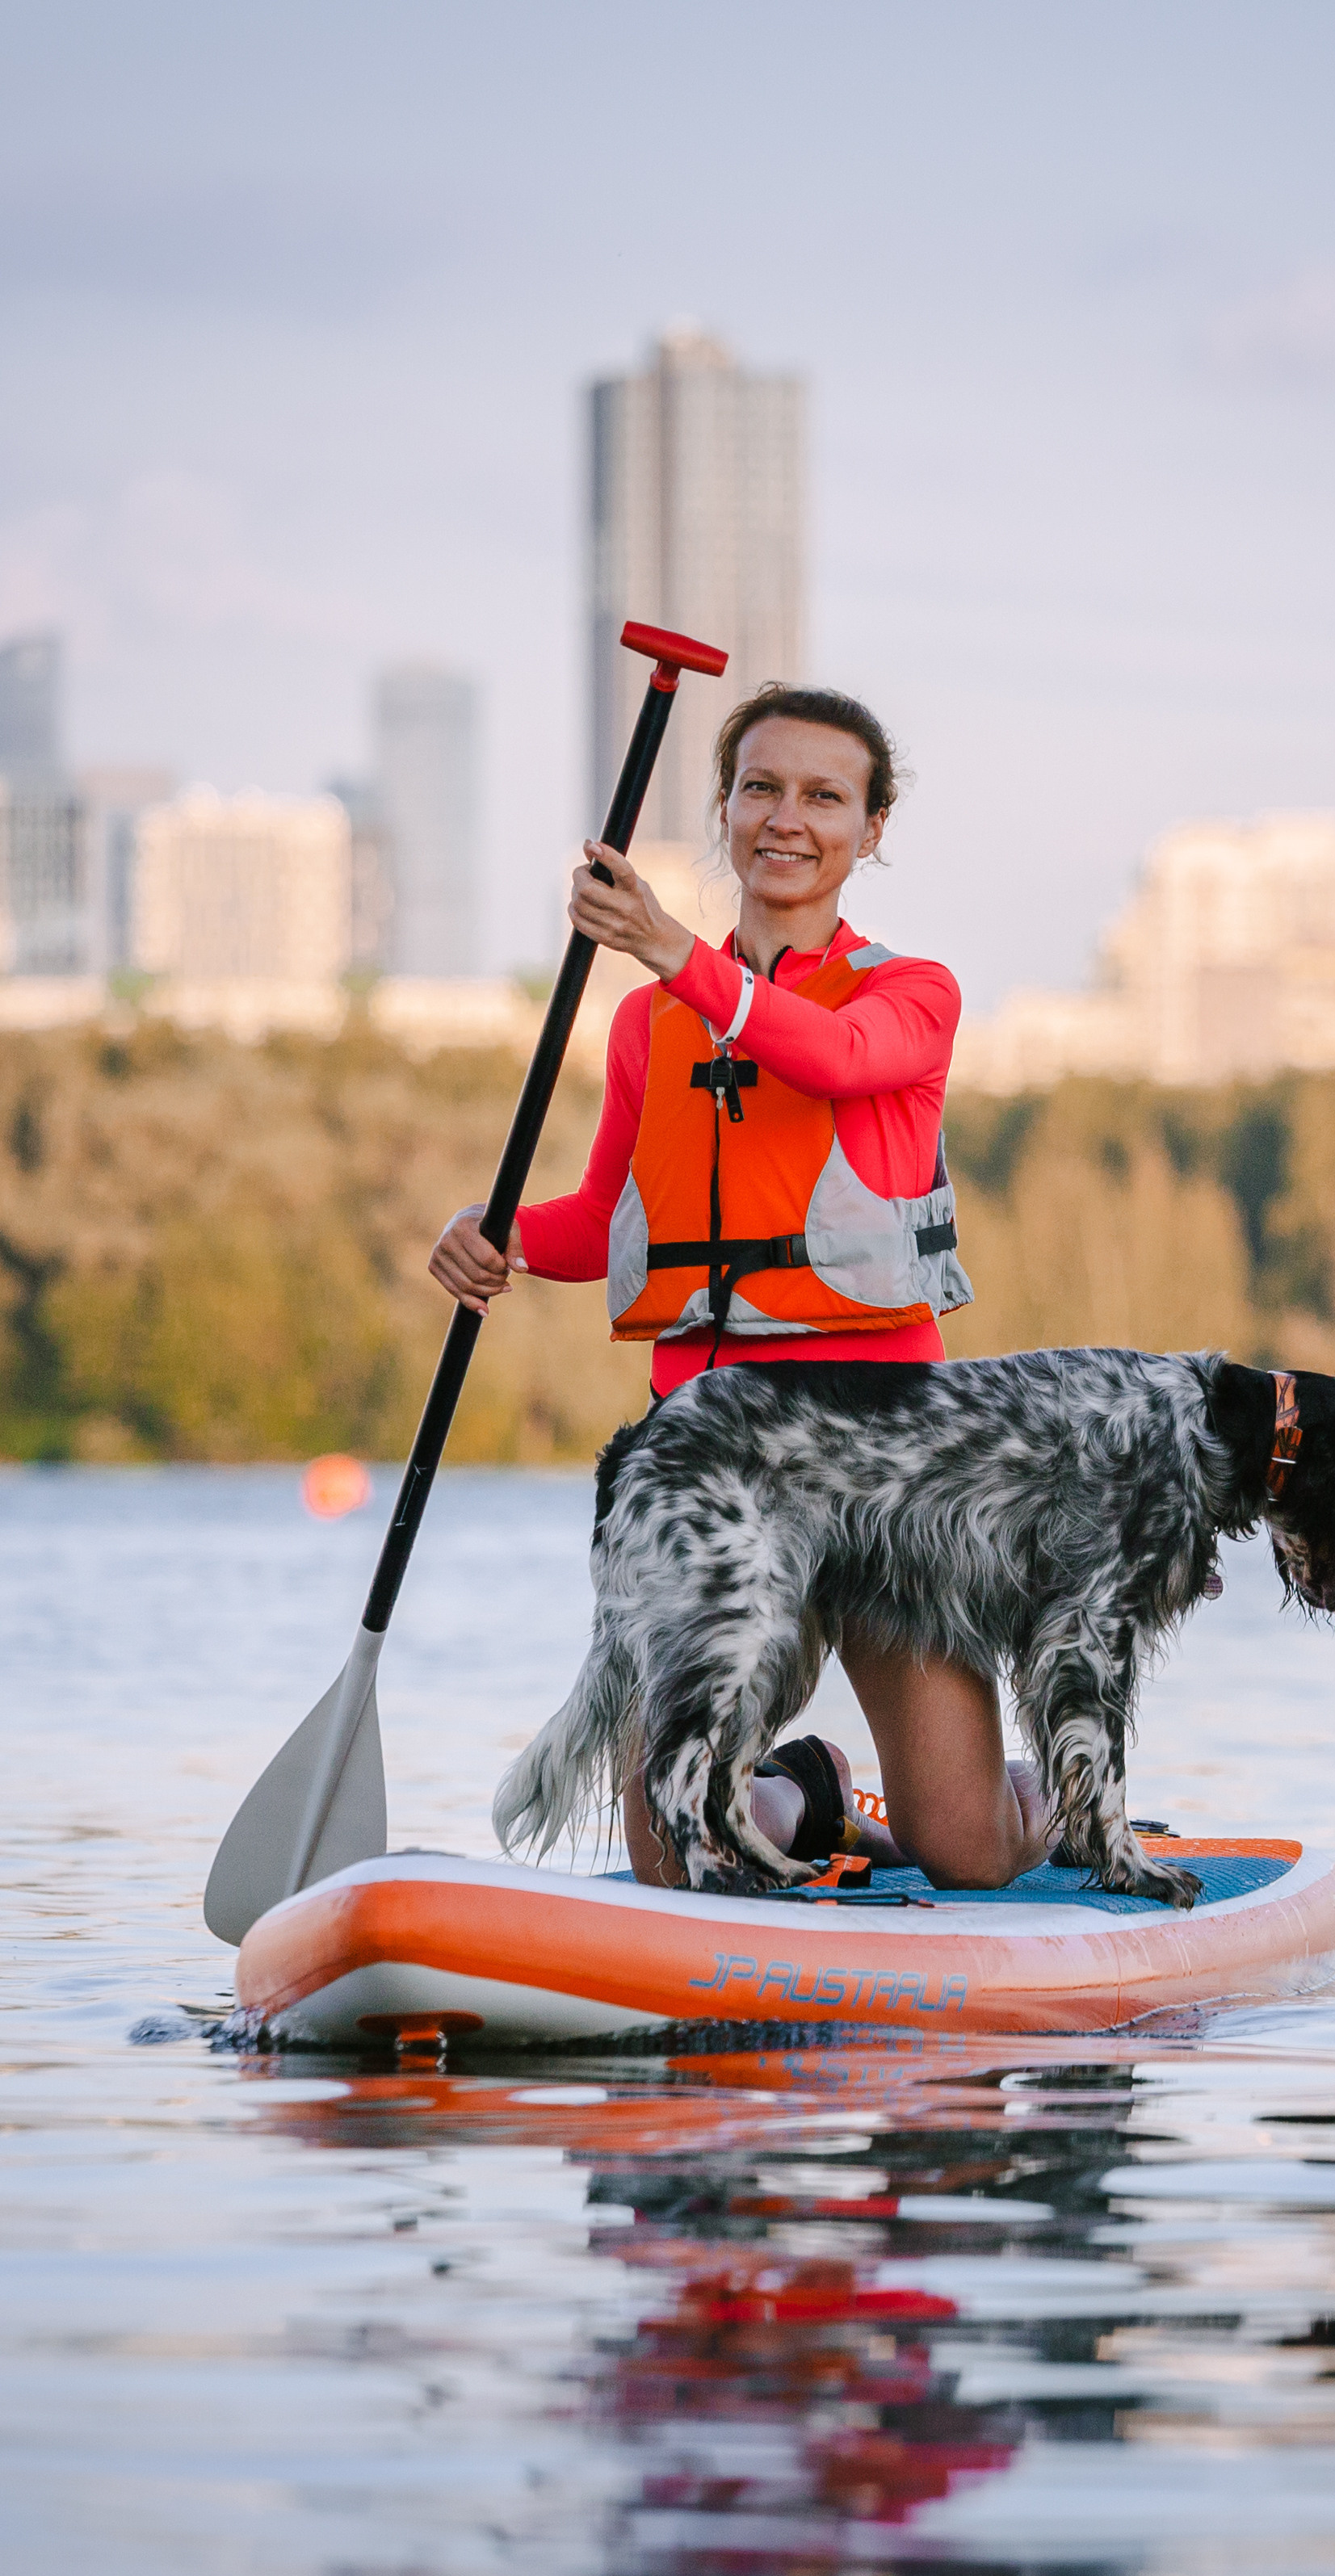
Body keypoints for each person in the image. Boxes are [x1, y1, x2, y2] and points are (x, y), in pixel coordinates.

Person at [428, 684, 1054, 1891]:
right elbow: (605, 1220)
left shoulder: (910, 993)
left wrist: (671, 951)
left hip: (883, 1450)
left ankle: (1053, 1806)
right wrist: (489, 1229)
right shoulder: (650, 1026)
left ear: (870, 831)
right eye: (761, 787)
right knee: (666, 1849)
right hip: (708, 1455)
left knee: (964, 1851)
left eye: (826, 796)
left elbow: (831, 1057)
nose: (787, 817)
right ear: (722, 808)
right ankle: (806, 1791)